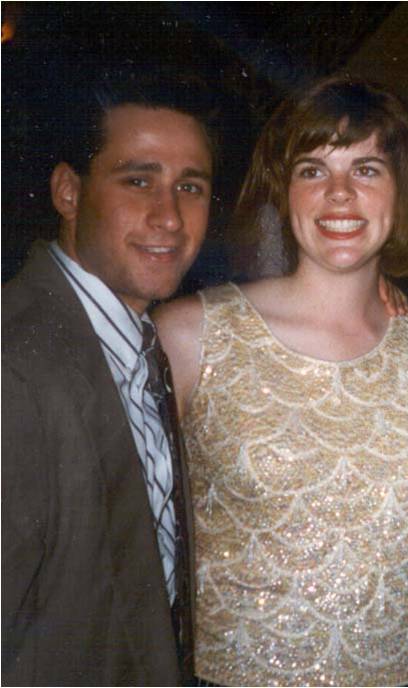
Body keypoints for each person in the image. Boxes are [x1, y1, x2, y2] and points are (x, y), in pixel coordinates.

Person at [154, 75, 408, 687]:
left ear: (402, 192)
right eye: (313, 170)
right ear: (284, 191)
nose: (340, 193)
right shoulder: (189, 335)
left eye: (366, 169)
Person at [2, 72, 215, 685]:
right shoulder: (15, 365)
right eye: (138, 181)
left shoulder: (139, 344)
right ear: (69, 192)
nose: (169, 217)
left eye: (190, 187)